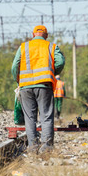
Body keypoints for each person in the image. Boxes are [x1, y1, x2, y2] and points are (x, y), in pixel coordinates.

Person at [11, 25, 65, 154]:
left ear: (33, 34)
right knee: (46, 116)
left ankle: (33, 147)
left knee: (29, 118)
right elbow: (60, 62)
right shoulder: (51, 46)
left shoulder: (24, 47)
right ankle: (46, 147)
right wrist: (52, 72)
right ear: (46, 35)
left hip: (26, 87)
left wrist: (18, 80)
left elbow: (14, 66)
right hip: (44, 85)